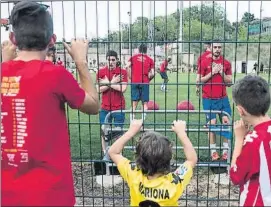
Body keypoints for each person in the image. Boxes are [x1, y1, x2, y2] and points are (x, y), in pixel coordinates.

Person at [1, 2, 99, 206]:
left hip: (9, 194)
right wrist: (80, 61)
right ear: (52, 40)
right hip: (52, 194)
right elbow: (93, 105)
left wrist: (5, 63)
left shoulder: (3, 73)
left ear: (13, 39)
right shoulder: (55, 75)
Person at [108, 119, 197, 206]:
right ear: (169, 157)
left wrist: (131, 131)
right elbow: (191, 159)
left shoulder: (133, 174)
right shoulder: (174, 181)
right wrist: (182, 133)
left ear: (138, 157)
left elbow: (113, 152)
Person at [230, 75, 271, 206]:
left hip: (257, 201)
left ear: (240, 110)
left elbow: (235, 176)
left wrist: (239, 139)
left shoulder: (253, 141)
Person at [196, 40, 232, 161]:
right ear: (210, 48)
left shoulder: (226, 63)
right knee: (212, 125)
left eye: (219, 47)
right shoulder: (204, 61)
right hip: (208, 99)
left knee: (227, 124)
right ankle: (213, 152)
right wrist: (213, 72)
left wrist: (221, 72)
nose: (217, 49)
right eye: (215, 47)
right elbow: (199, 80)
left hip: (223, 99)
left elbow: (230, 83)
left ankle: (226, 152)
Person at [96, 50, 128, 160]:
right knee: (104, 130)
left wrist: (107, 83)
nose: (111, 62)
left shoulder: (122, 72)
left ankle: (118, 154)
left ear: (117, 60)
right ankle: (105, 152)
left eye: (113, 60)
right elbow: (98, 90)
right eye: (109, 60)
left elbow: (123, 89)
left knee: (118, 132)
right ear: (106, 60)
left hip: (119, 107)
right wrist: (113, 82)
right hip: (105, 107)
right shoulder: (101, 72)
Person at [126, 44, 155, 121]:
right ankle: (142, 122)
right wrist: (149, 79)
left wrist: (130, 77)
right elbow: (153, 73)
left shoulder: (133, 57)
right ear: (146, 50)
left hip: (134, 82)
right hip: (144, 82)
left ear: (138, 50)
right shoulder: (150, 59)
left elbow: (127, 66)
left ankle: (132, 121)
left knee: (134, 103)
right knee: (144, 103)